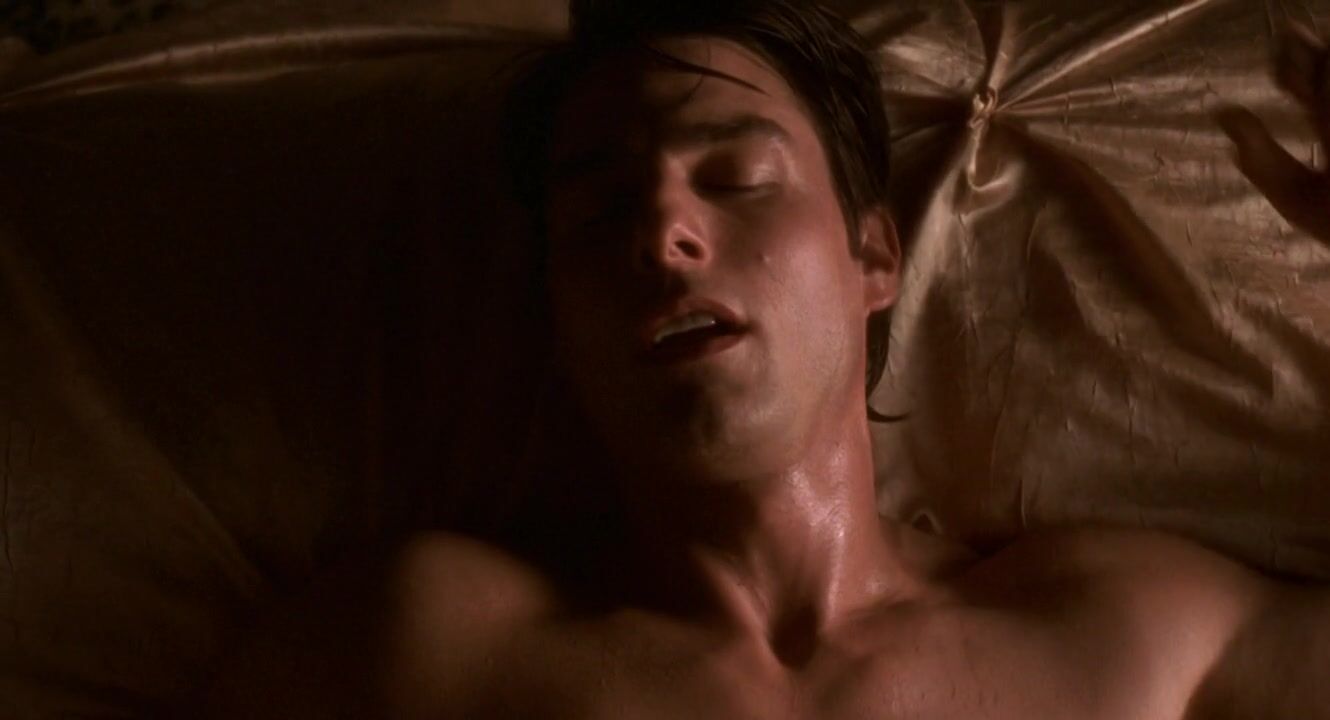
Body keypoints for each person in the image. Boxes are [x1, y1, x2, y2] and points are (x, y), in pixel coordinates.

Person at [198, 2, 1330, 718]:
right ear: (556, 315)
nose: (662, 234)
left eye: (735, 178)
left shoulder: (1123, 634)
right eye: (597, 214)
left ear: (872, 253)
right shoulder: (427, 648)